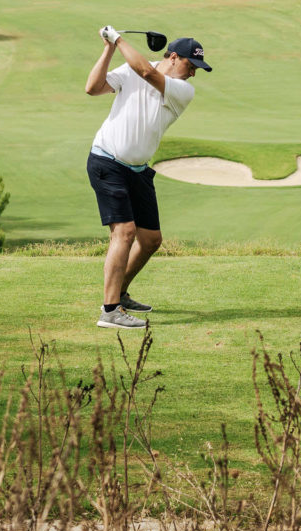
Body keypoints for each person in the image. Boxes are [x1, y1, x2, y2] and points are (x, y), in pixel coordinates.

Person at [83, 26, 211, 329]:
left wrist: (118, 39)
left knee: (151, 240)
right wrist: (109, 48)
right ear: (174, 57)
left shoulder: (182, 89)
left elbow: (147, 73)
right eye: (191, 66)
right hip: (107, 161)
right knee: (124, 233)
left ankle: (119, 291)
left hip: (138, 170)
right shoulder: (132, 68)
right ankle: (110, 310)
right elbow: (93, 87)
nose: (193, 74)